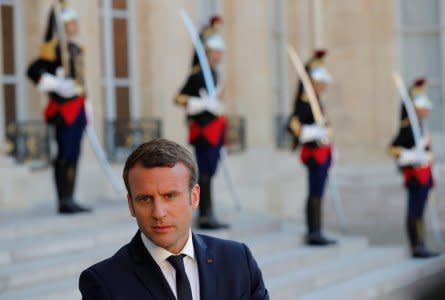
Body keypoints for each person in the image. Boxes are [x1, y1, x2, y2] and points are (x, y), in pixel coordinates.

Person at [79, 139, 269, 300]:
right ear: (131, 205)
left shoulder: (237, 261)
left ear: (194, 197)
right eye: (145, 199)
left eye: (169, 196)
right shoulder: (103, 283)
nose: (158, 213)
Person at [26, 5, 91, 214]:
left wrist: (86, 103)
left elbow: (81, 80)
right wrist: (56, 83)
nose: (75, 26)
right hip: (64, 109)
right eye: (71, 23)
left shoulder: (75, 49)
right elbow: (33, 70)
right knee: (64, 153)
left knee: (74, 153)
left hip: (78, 106)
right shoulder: (53, 49)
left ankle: (70, 197)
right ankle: (63, 199)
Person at [174, 34, 229, 229]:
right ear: (208, 53)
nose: (220, 55)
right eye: (217, 51)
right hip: (203, 131)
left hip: (214, 130)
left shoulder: (214, 74)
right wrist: (201, 103)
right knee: (204, 172)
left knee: (210, 172)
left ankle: (208, 212)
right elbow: (179, 98)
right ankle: (204, 214)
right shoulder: (197, 74)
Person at [286, 49, 336, 246]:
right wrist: (315, 132)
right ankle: (313, 231)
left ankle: (317, 229)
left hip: (322, 152)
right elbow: (293, 125)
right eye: (321, 82)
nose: (323, 86)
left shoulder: (317, 101)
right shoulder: (304, 102)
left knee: (319, 191)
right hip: (313, 153)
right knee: (315, 191)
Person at [389, 78, 439, 258]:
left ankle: (421, 242)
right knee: (414, 209)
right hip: (414, 174)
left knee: (420, 210)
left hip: (424, 173)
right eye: (423, 107)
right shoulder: (408, 127)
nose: (426, 110)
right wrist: (412, 155)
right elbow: (393, 148)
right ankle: (416, 244)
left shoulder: (420, 126)